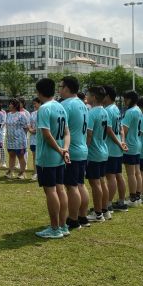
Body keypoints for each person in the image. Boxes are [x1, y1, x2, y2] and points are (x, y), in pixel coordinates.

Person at [34, 78, 70, 239]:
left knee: (51, 191)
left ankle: (55, 228)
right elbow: (67, 132)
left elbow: (46, 134)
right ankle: (63, 225)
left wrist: (60, 149)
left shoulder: (44, 108)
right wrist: (64, 150)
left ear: (39, 92)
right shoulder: (60, 107)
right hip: (59, 156)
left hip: (47, 157)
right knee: (60, 189)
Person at [59, 76, 90, 229]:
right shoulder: (83, 104)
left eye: (61, 87)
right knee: (80, 184)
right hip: (82, 149)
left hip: (71, 150)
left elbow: (59, 129)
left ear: (66, 88)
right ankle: (82, 216)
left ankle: (73, 219)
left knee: (72, 186)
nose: (59, 90)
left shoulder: (65, 104)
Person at [84, 86, 109, 222]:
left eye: (88, 95)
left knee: (95, 184)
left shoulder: (92, 113)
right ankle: (104, 210)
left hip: (94, 152)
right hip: (103, 150)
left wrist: (85, 150)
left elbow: (89, 134)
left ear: (93, 97)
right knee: (102, 181)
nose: (86, 97)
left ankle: (98, 213)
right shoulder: (104, 111)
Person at [103, 85, 129, 212]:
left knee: (111, 177)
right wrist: (122, 142)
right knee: (118, 175)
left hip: (111, 148)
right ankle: (121, 201)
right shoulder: (116, 109)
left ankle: (107, 204)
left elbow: (109, 130)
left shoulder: (108, 110)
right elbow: (121, 128)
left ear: (107, 96)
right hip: (117, 148)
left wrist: (120, 143)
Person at [121, 90, 142, 207]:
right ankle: (137, 196)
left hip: (130, 145)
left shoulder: (130, 112)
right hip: (137, 143)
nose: (124, 101)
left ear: (130, 99)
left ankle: (133, 197)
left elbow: (124, 130)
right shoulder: (138, 110)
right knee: (136, 172)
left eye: (125, 99)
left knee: (131, 174)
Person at [4, 99, 30, 179]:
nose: (9, 105)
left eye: (11, 104)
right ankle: (10, 172)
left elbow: (26, 127)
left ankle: (22, 173)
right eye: (9, 103)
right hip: (10, 139)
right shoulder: (8, 114)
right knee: (11, 155)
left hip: (19, 140)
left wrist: (20, 136)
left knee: (20, 156)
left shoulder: (21, 115)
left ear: (15, 105)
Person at [27, 98, 41, 180]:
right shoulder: (32, 113)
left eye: (35, 103)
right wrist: (30, 129)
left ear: (40, 103)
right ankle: (35, 172)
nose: (34, 105)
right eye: (33, 103)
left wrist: (35, 130)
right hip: (33, 138)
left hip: (41, 138)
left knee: (41, 156)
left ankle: (41, 172)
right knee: (34, 156)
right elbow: (29, 123)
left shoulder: (43, 112)